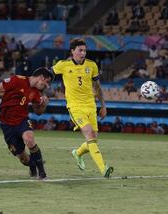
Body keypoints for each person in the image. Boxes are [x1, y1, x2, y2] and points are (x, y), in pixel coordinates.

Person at [0, 67, 53, 179]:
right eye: (47, 81)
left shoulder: (36, 93)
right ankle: (32, 164)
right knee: (23, 159)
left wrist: (43, 104)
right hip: (6, 124)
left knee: (29, 139)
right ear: (41, 77)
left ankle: (42, 174)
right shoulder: (17, 80)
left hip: (22, 120)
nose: (47, 85)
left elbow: (38, 112)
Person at [52, 38, 114, 178]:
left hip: (91, 106)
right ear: (72, 51)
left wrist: (103, 106)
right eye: (80, 50)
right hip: (75, 107)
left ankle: (77, 153)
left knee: (93, 140)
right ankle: (103, 169)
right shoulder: (63, 65)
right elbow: (47, 74)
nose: (83, 53)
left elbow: (98, 87)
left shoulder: (92, 65)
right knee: (90, 135)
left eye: (85, 50)